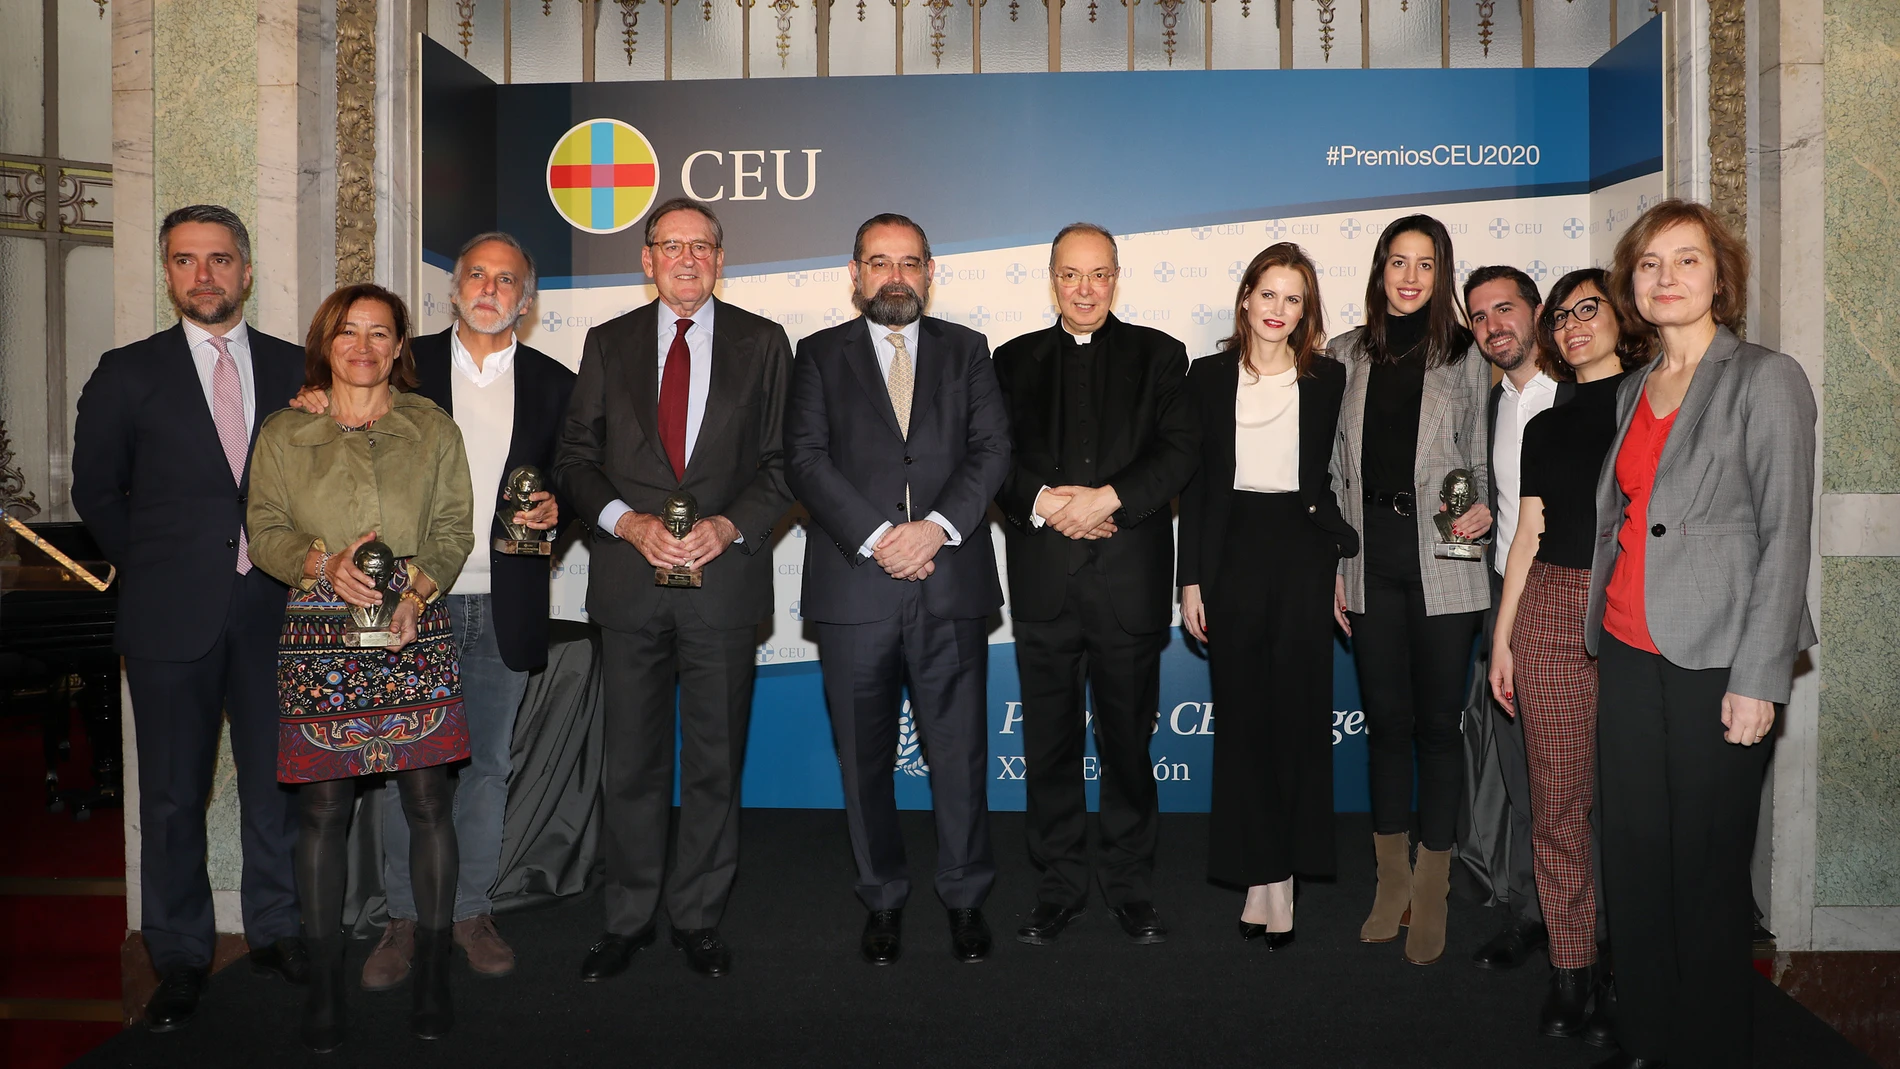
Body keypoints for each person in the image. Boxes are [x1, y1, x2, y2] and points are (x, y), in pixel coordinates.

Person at [289, 234, 574, 989]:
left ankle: (470, 909)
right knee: (398, 764)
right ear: (453, 290)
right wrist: (315, 397)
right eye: (475, 274)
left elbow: (575, 475)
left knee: (488, 766)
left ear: (527, 296)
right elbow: (339, 408)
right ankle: (404, 918)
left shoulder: (557, 381)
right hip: (412, 601)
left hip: (505, 598)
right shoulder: (403, 368)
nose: (489, 287)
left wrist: (562, 507)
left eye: (505, 278)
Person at [1585, 200, 1815, 1069]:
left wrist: (1760, 676)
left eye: (1687, 260)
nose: (1666, 277)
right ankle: (1648, 1035)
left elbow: (1785, 532)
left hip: (1718, 660)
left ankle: (1710, 1047)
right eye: (1649, 264)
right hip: (1628, 649)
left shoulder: (1765, 377)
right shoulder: (1632, 388)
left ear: (1722, 276)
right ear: (1631, 285)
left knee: (1708, 873)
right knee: (1636, 861)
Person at [71, 204, 308, 1033]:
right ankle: (176, 952)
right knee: (173, 795)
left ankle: (278, 930)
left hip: (278, 610)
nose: (202, 275)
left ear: (246, 270)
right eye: (184, 261)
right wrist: (161, 565)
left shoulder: (297, 371)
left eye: (218, 259)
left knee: (279, 784)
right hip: (171, 616)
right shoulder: (127, 372)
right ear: (167, 273)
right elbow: (96, 491)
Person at [553, 198, 792, 981]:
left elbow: (783, 461)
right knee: (632, 763)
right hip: (629, 587)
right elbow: (576, 459)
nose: (687, 258)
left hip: (722, 586)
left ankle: (697, 915)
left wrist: (728, 527)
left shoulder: (763, 343)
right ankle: (626, 917)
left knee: (716, 762)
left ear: (721, 259)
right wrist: (626, 523)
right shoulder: (607, 342)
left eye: (702, 246)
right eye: (670, 245)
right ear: (646, 260)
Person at [247, 282, 475, 1050]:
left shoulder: (431, 425)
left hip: (416, 620)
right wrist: (317, 561)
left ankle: (436, 974)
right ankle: (324, 988)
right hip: (319, 626)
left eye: (383, 333)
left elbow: (453, 524)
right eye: (350, 331)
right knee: (322, 812)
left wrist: (416, 590)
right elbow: (265, 527)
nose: (365, 346)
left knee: (428, 804)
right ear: (327, 340)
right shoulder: (284, 430)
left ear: (400, 347)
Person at [784, 213, 1011, 965]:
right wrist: (884, 538)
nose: (895, 276)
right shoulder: (816, 355)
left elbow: (992, 450)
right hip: (857, 588)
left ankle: (966, 897)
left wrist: (935, 528)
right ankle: (881, 896)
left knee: (960, 755)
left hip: (948, 581)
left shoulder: (967, 350)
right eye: (879, 262)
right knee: (864, 761)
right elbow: (805, 461)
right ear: (855, 273)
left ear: (930, 270)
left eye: (909, 262)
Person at [990, 223, 1198, 947]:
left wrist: (1107, 498)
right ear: (1052, 278)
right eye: (1071, 275)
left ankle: (1131, 888)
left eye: (1099, 275)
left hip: (1129, 585)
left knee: (1128, 748)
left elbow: (1180, 453)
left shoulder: (1161, 356)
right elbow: (989, 457)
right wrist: (1051, 504)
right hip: (1046, 585)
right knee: (1047, 747)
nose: (1085, 289)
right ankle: (1057, 888)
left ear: (1117, 277)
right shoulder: (1010, 361)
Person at [1177, 243, 1358, 948]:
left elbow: (1338, 475)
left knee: (1299, 719)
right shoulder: (1207, 374)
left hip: (1303, 550)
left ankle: (1281, 876)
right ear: (1246, 297)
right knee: (1245, 720)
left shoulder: (1330, 378)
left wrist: (1343, 559)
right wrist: (1190, 577)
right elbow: (1194, 486)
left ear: (1306, 310)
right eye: (1269, 294)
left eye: (1294, 298)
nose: (1279, 309)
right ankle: (1258, 869)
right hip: (1230, 554)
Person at [1330, 214, 1493, 966]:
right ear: (1379, 269)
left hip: (1446, 558)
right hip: (1369, 558)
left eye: (1425, 264)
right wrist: (1337, 567)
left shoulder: (1465, 357)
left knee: (1436, 725)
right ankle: (1389, 880)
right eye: (1398, 261)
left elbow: (1481, 465)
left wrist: (1479, 519)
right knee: (1386, 723)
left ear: (1441, 275)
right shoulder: (1344, 354)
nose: (1409, 276)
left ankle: (1434, 882)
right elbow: (1330, 477)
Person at [1488, 267, 1644, 1040]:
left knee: (1632, 804)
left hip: (1635, 609)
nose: (1574, 325)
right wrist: (1502, 638)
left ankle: (1628, 969)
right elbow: (1527, 533)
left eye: (1591, 309)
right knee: (1556, 804)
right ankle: (1572, 968)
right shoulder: (1544, 422)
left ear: (1623, 316)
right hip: (1548, 607)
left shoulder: (1654, 401)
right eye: (1561, 315)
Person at [1465, 264, 1558, 970]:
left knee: (1572, 779)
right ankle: (1534, 913)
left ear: (1537, 310)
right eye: (1479, 316)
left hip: (1564, 604)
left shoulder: (1583, 394)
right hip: (1505, 597)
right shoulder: (1497, 402)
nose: (1494, 325)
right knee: (1523, 772)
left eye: (1506, 308)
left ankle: (1590, 929)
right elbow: (1519, 505)